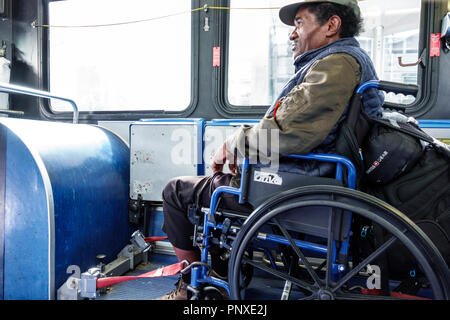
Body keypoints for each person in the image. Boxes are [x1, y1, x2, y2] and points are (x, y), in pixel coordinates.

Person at [157, 0, 384, 300]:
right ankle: (222, 270)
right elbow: (295, 127)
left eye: (300, 23)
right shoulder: (337, 62)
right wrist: (251, 157)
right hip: (305, 178)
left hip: (295, 189)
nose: (292, 34)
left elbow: (291, 133)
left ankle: (190, 285)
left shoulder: (336, 64)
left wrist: (234, 145)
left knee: (176, 192)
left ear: (331, 25)